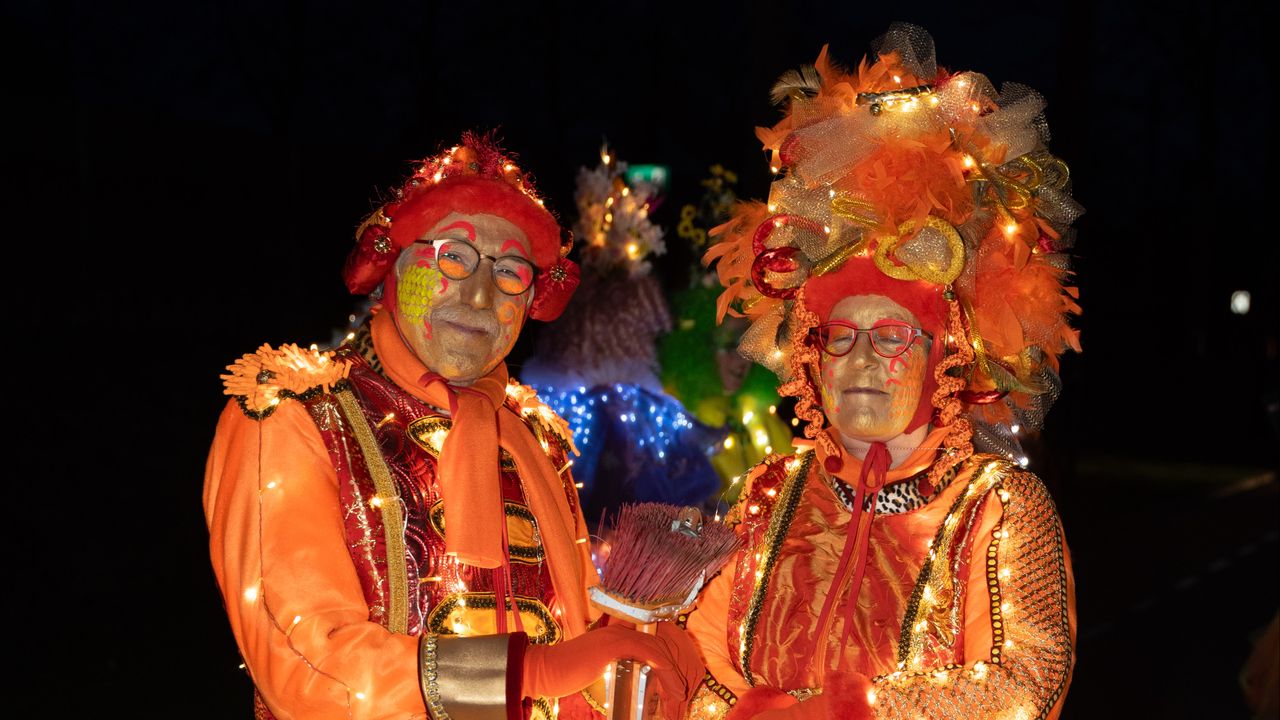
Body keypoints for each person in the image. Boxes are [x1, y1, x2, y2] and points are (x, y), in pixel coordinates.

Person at [204, 133, 703, 720]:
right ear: (391, 266)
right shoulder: (293, 412)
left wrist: (647, 652)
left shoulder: (533, 435)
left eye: (512, 273)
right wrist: (530, 673)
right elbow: (308, 666)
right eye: (452, 257)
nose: (482, 294)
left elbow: (576, 630)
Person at [681, 24, 1082, 719]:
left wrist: (851, 711)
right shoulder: (772, 493)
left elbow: (1023, 681)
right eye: (840, 335)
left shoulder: (1000, 509)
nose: (862, 361)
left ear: (943, 356)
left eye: (894, 336)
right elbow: (703, 660)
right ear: (810, 352)